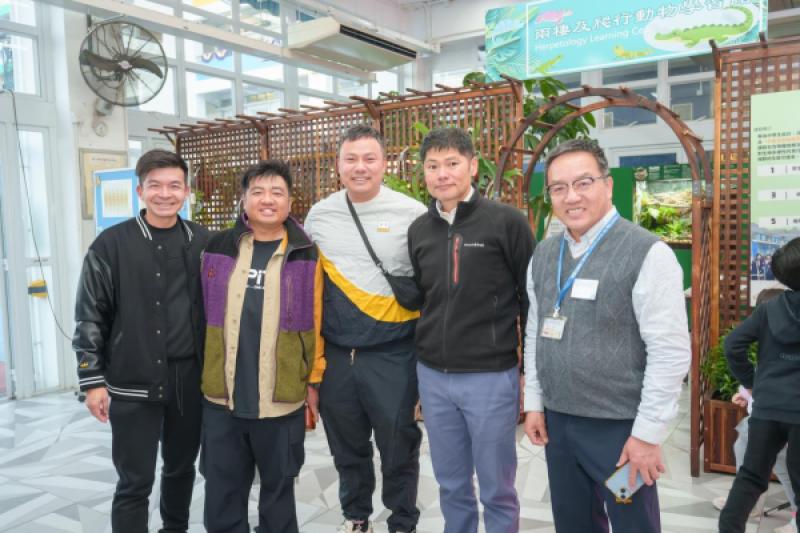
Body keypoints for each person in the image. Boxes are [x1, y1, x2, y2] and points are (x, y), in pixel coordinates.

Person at [523, 138, 691, 532]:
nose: (571, 197)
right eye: (559, 187)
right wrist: (534, 402)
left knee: (632, 522)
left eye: (583, 183)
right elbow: (534, 331)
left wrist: (647, 435)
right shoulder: (544, 254)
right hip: (560, 425)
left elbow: (669, 352)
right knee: (574, 522)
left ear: (608, 184)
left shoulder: (648, 252)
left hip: (619, 432)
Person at [73, 149, 209, 533]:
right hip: (132, 379)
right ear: (139, 191)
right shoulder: (110, 244)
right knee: (134, 481)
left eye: (174, 186)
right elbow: (90, 315)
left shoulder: (204, 241)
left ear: (186, 191)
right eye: (155, 186)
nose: (165, 194)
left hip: (189, 379)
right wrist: (92, 380)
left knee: (181, 468)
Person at [407, 127, 535, 533]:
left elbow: (530, 299)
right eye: (432, 166)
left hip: (490, 376)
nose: (442, 173)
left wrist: (528, 372)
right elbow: (424, 298)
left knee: (497, 487)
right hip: (433, 377)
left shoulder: (507, 222)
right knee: (451, 483)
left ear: (473, 166)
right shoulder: (419, 229)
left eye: (452, 163)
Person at [304, 124, 426, 533]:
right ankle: (356, 517)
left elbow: (430, 284)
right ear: (338, 165)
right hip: (339, 356)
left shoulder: (412, 213)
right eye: (351, 159)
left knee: (398, 446)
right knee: (346, 447)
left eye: (369, 158)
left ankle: (402, 522)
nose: (360, 167)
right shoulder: (319, 215)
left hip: (394, 353)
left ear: (384, 163)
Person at [199, 160, 324, 533]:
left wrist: (313, 380)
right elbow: (198, 314)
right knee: (222, 493)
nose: (267, 200)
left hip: (280, 398)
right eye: (258, 191)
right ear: (244, 199)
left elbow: (318, 322)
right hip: (222, 397)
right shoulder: (218, 247)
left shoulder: (306, 253)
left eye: (276, 192)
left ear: (290, 202)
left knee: (278, 493)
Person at [719, 237, 800, 533]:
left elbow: (732, 345)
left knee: (750, 478)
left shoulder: (770, 308)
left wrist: (752, 383)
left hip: (767, 409)